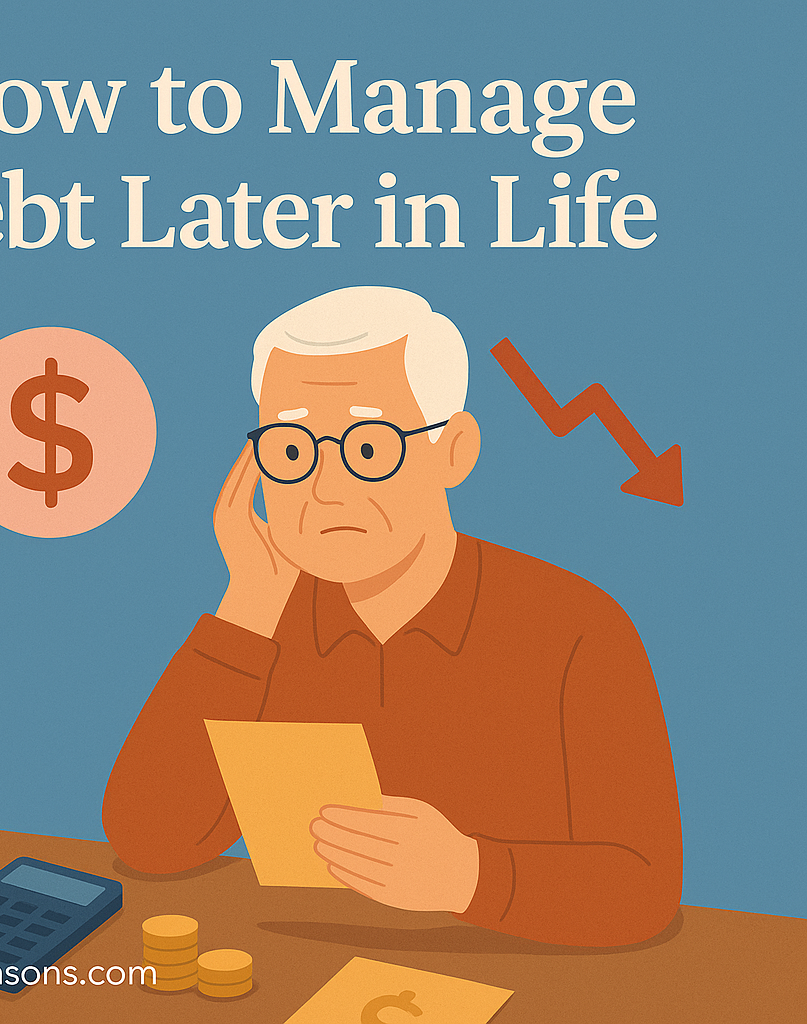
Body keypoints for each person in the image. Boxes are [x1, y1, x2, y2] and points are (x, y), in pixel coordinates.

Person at [102, 286, 682, 947]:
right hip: (303, 965)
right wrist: (245, 612)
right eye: (291, 452)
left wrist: (471, 876)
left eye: (369, 448)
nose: (325, 488)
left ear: (454, 452)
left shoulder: (577, 627)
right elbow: (150, 840)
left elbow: (645, 887)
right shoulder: (262, 625)